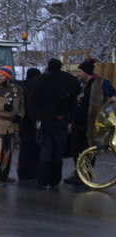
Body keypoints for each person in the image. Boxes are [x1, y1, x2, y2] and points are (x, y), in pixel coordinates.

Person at [25, 58, 83, 190]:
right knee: (57, 151)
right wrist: (70, 120)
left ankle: (42, 180)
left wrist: (35, 119)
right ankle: (55, 179)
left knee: (45, 149)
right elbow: (73, 104)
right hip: (61, 121)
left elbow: (31, 102)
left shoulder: (39, 82)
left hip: (45, 121)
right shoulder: (69, 81)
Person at [65, 58, 116, 184]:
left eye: (79, 71)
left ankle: (87, 174)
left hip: (91, 123)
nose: (77, 74)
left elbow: (114, 97)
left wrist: (107, 113)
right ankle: (78, 173)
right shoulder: (80, 85)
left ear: (86, 72)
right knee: (76, 150)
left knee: (89, 150)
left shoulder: (101, 83)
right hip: (78, 123)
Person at [16, 67, 41, 182]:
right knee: (33, 150)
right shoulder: (36, 88)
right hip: (31, 123)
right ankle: (32, 173)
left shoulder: (22, 88)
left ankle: (23, 173)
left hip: (23, 122)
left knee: (24, 150)